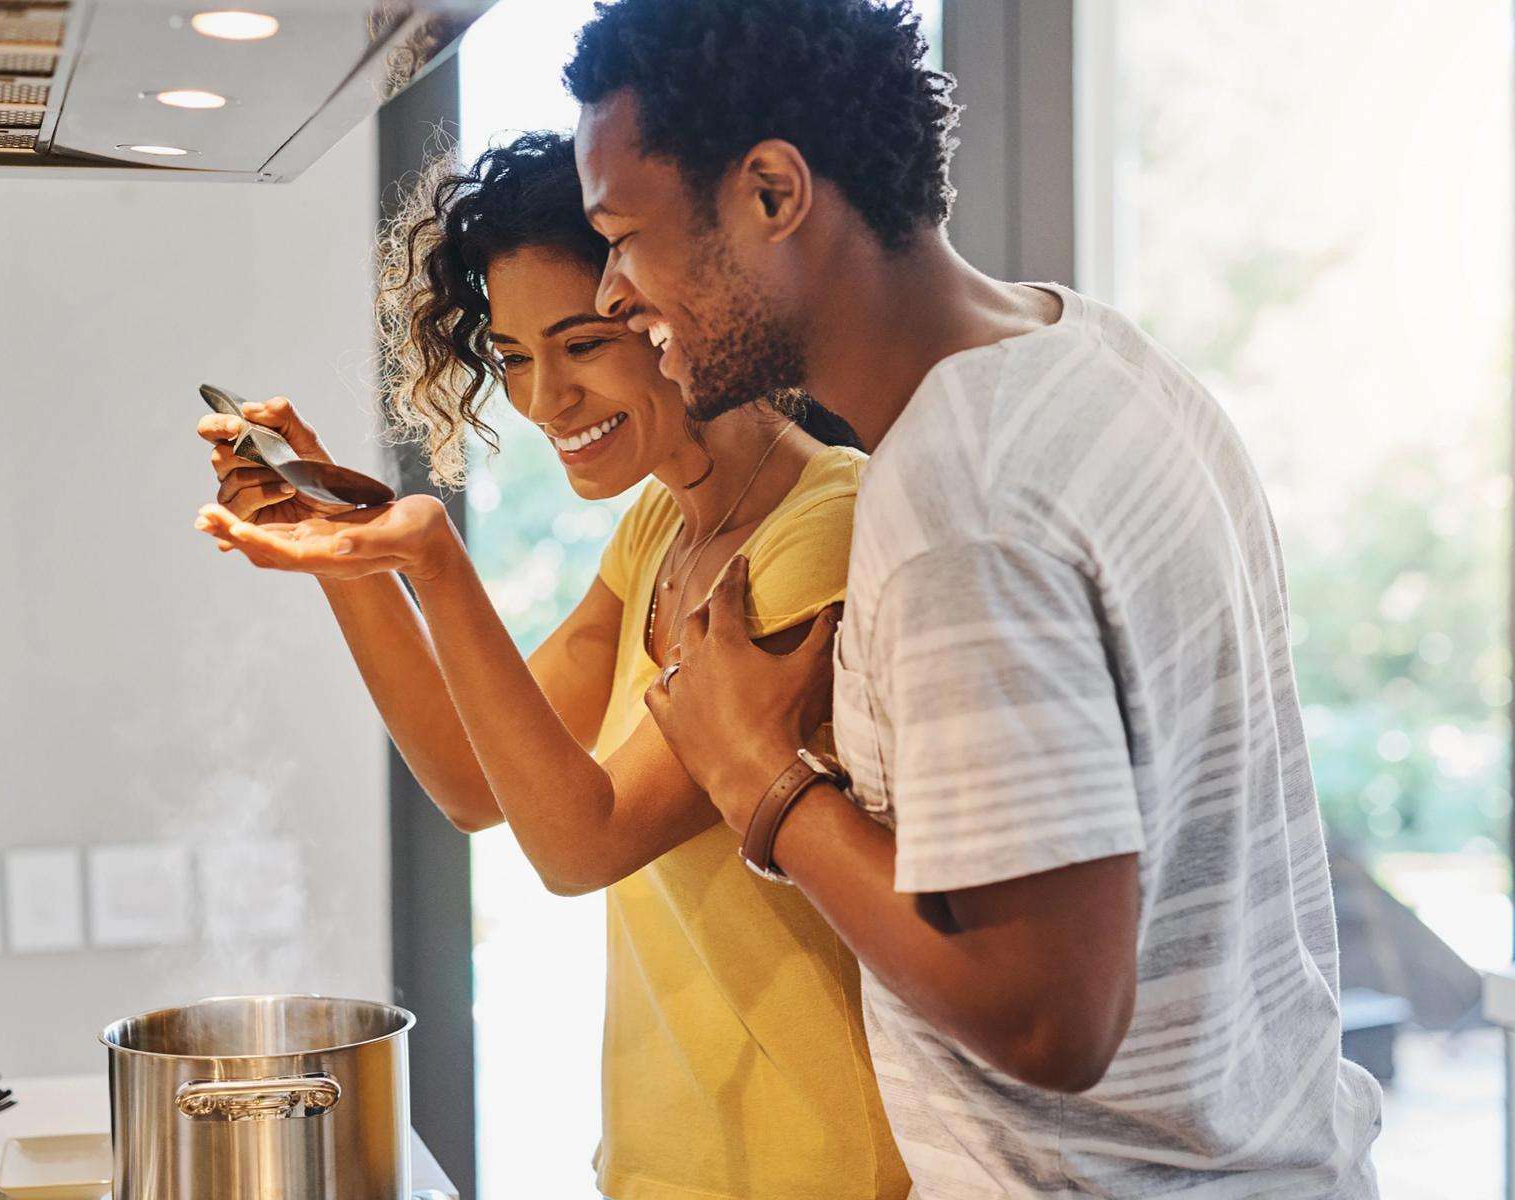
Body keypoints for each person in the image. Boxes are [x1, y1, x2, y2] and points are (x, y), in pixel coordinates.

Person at [563, 1, 1384, 1196]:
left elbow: (1050, 1021)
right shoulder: (1100, 356)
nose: (613, 291)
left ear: (774, 194)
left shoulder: (957, 504)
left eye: (624, 236)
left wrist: (762, 778)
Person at [192, 132, 910, 1200]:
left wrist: (434, 559)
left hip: (819, 1168)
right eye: (517, 355)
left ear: (673, 309)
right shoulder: (661, 529)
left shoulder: (823, 528)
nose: (542, 401)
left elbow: (584, 841)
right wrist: (347, 552)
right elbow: (476, 780)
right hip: (663, 1160)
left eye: (581, 344)